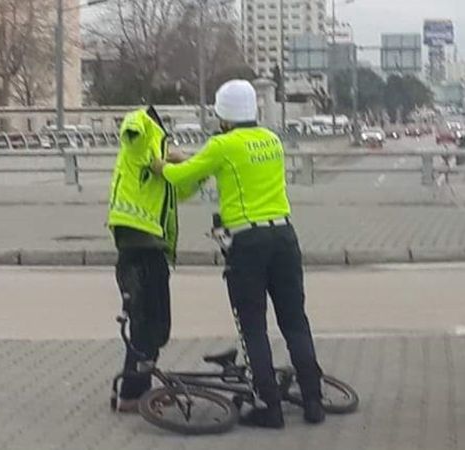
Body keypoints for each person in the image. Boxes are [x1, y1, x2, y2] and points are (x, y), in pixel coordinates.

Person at [151, 80, 325, 428]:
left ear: (222, 114)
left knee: (253, 326)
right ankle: (314, 402)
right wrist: (196, 161)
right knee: (294, 321)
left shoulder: (223, 144)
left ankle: (269, 408)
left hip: (248, 244)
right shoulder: (271, 140)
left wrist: (161, 165)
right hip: (284, 237)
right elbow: (227, 169)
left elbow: (184, 175)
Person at [108, 106, 200, 412]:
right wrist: (149, 130)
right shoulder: (138, 143)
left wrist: (187, 167)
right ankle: (133, 395)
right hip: (138, 247)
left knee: (154, 325)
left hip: (153, 249)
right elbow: (132, 129)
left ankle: (138, 388)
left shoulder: (159, 161)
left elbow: (182, 191)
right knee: (146, 325)